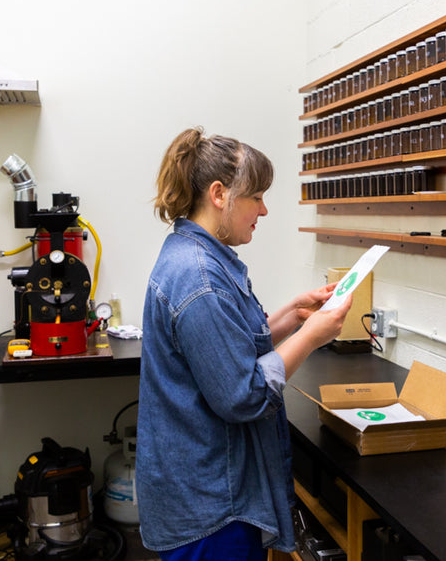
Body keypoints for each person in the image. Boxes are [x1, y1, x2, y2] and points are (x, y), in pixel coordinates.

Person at [136, 127, 352, 561]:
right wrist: (311, 337)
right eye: (256, 196)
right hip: (212, 505)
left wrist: (292, 315)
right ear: (219, 194)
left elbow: (223, 348)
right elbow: (243, 394)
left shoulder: (193, 252)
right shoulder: (200, 278)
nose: (264, 209)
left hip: (205, 490)